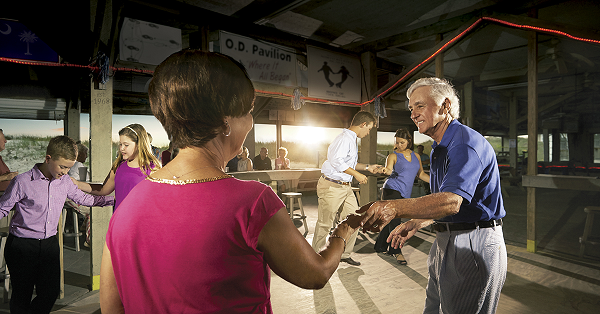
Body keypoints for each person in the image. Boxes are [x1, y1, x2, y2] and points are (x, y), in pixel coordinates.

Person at [99, 49, 362, 313]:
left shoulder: (126, 209)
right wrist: (343, 231)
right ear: (226, 122)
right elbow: (315, 274)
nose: (250, 122)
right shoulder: (252, 202)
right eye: (248, 111)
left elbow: (111, 307)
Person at [358, 77, 507, 314]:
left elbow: (451, 201)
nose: (413, 114)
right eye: (410, 108)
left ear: (445, 106)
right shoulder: (440, 146)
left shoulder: (464, 144)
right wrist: (418, 220)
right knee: (435, 308)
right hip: (447, 237)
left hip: (472, 240)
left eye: (419, 105)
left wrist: (395, 207)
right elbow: (445, 201)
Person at [0, 136, 114, 314]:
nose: (65, 172)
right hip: (22, 246)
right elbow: (2, 208)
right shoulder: (22, 182)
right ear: (48, 158)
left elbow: (84, 198)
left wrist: (114, 200)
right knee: (22, 296)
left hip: (49, 245)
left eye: (69, 167)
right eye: (62, 166)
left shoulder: (65, 181)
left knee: (50, 292)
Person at [311, 111, 382, 266]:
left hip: (345, 187)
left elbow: (348, 163)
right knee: (325, 224)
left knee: (355, 219)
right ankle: (314, 258)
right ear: (363, 124)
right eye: (368, 129)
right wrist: (357, 175)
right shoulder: (344, 138)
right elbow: (336, 161)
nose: (368, 132)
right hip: (332, 186)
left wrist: (368, 167)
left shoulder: (351, 139)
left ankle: (344, 254)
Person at [72, 123, 161, 212]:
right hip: (119, 220)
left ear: (139, 145)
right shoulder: (119, 166)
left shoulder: (153, 169)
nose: (121, 148)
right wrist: (78, 184)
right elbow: (103, 190)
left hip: (141, 222)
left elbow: (158, 201)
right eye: (120, 144)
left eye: (126, 145)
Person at [374, 129, 429, 265]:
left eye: (402, 142)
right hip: (392, 189)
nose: (399, 145)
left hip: (405, 191)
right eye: (397, 142)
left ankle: (380, 246)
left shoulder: (416, 156)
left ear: (409, 141)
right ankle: (395, 251)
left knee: (391, 220)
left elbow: (421, 174)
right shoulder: (393, 156)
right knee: (395, 222)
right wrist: (384, 170)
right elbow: (389, 170)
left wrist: (437, 181)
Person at [66, 142, 92, 246]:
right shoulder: (78, 165)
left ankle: (84, 227)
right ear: (80, 154)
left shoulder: (73, 165)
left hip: (69, 197)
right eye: (85, 154)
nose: (86, 156)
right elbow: (83, 181)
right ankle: (89, 240)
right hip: (70, 197)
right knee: (93, 211)